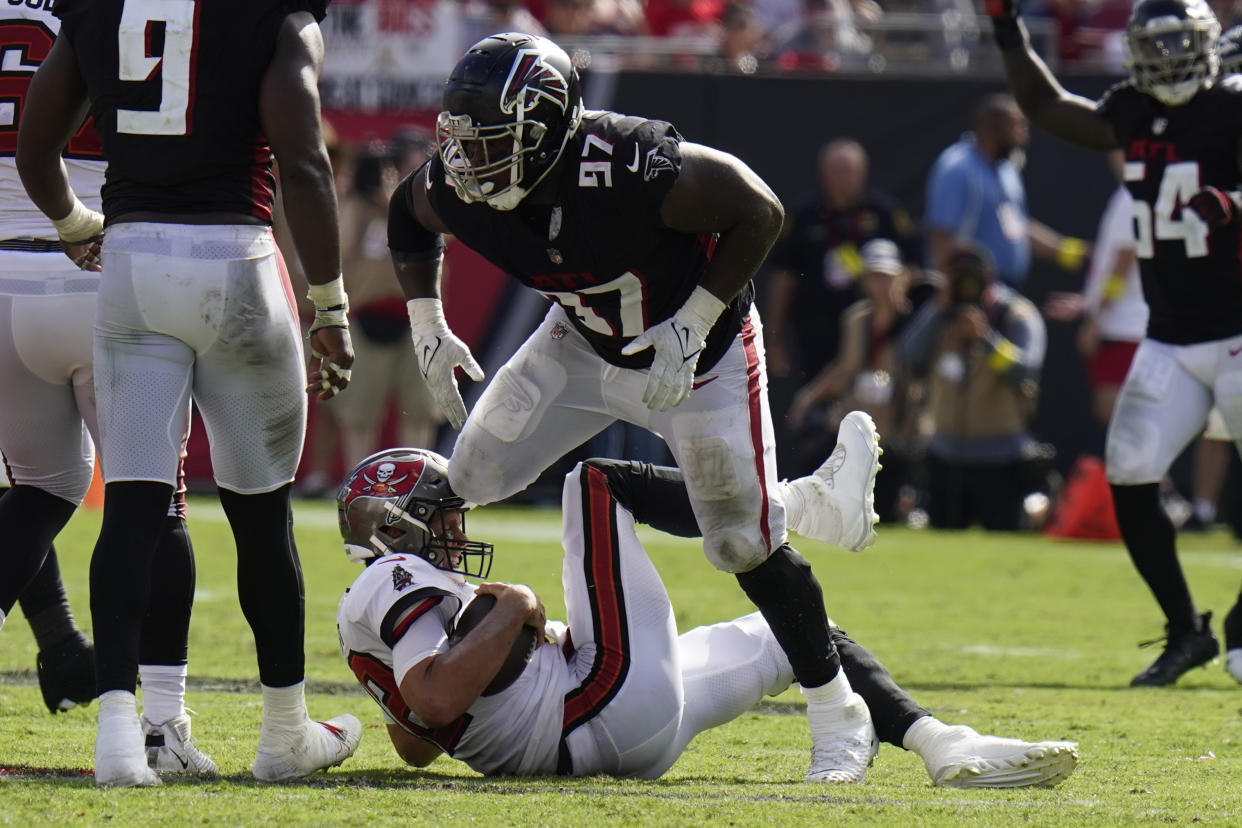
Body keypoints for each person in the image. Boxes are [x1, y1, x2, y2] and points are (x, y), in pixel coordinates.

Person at [389, 32, 882, 783]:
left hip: (700, 359)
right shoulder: (465, 190)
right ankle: (802, 502)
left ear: (546, 130)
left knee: (740, 546)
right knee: (475, 472)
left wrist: (694, 321)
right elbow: (407, 209)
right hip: (581, 344)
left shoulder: (624, 164)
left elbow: (760, 209)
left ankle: (838, 710)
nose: (466, 164)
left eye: (489, 143)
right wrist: (427, 319)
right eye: (460, 142)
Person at [16, 0, 361, 785]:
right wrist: (331, 307)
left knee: (135, 508)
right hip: (236, 261)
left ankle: (115, 739)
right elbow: (304, 160)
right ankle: (283, 734)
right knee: (261, 518)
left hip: (134, 266)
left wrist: (76, 226)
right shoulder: (272, 16)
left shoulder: (100, 9)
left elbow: (38, 150)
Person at [335, 443, 1079, 786]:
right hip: (596, 706)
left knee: (797, 640)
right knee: (593, 484)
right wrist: (520, 609)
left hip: (606, 735)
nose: (458, 533)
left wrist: (498, 640)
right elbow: (435, 697)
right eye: (443, 518)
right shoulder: (392, 574)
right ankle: (797, 504)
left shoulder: (379, 611)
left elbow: (418, 742)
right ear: (394, 528)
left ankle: (941, 742)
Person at [985, 0, 1242, 685]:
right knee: (1129, 468)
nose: (1165, 62)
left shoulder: (1232, 106)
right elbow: (1046, 105)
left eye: (1177, 46)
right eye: (1153, 49)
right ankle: (1186, 630)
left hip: (1239, 328)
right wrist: (1007, 28)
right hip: (1170, 336)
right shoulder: (1130, 110)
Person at [0, 1, 216, 781]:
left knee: (43, 489)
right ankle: (163, 724)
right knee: (155, 503)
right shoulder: (113, 10)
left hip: (1, 278)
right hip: (96, 256)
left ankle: (71, 651)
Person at [763, 139, 917, 471]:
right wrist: (774, 338)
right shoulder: (803, 216)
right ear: (823, 173)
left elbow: (913, 265)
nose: (845, 177)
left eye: (851, 170)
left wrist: (892, 300)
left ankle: (881, 474)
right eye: (838, 170)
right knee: (822, 410)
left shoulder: (883, 213)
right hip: (817, 331)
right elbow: (782, 277)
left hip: (873, 330)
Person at [899, 245, 1047, 531]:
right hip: (945, 455)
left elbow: (1027, 370)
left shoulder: (1014, 314)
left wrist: (987, 340)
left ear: (989, 278)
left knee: (1002, 548)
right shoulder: (939, 312)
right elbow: (908, 357)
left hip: (1002, 457)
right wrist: (937, 312)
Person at [786, 239, 927, 522]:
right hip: (857, 418)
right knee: (813, 461)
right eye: (874, 276)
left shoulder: (916, 321)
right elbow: (845, 369)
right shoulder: (856, 318)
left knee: (886, 505)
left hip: (898, 426)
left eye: (887, 276)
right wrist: (808, 397)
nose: (881, 284)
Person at [924, 93, 1090, 293]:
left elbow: (1018, 226)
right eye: (1017, 125)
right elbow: (941, 239)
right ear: (992, 128)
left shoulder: (1007, 170)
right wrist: (955, 294)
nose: (1024, 134)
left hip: (1006, 288)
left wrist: (1069, 252)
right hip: (970, 290)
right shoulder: (957, 168)